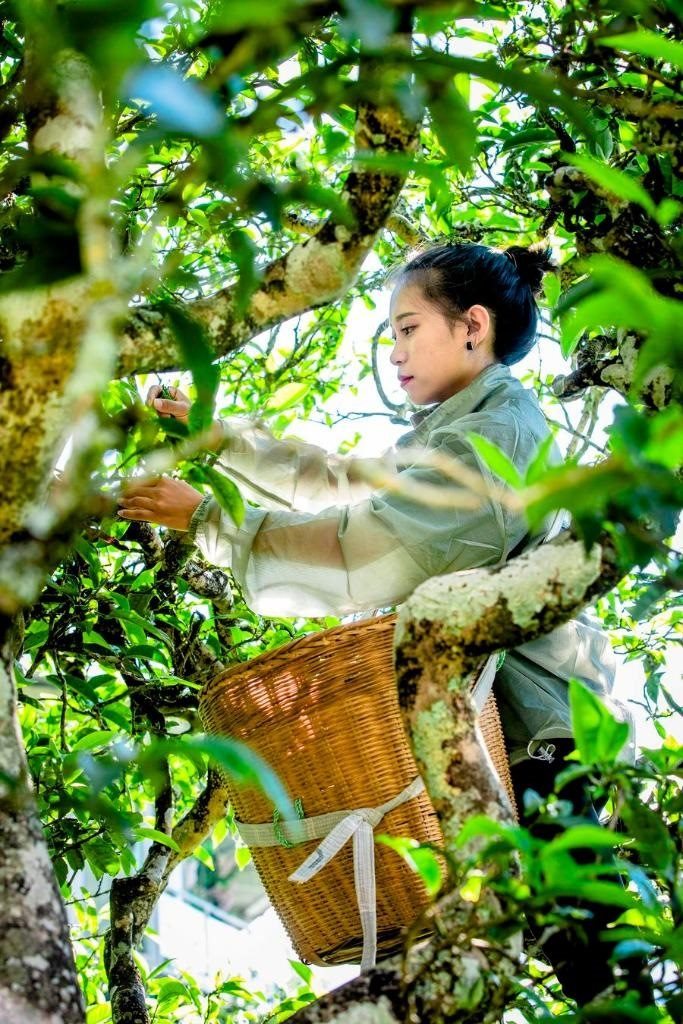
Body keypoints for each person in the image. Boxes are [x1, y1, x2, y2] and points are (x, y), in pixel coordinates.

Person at [117, 242, 632, 1004]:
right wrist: (216, 438)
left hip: (540, 744)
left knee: (594, 963)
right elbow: (338, 481)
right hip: (501, 739)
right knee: (509, 959)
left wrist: (212, 522)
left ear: (472, 326)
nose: (393, 353)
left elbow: (383, 547)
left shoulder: (498, 433)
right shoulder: (452, 430)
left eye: (407, 328)